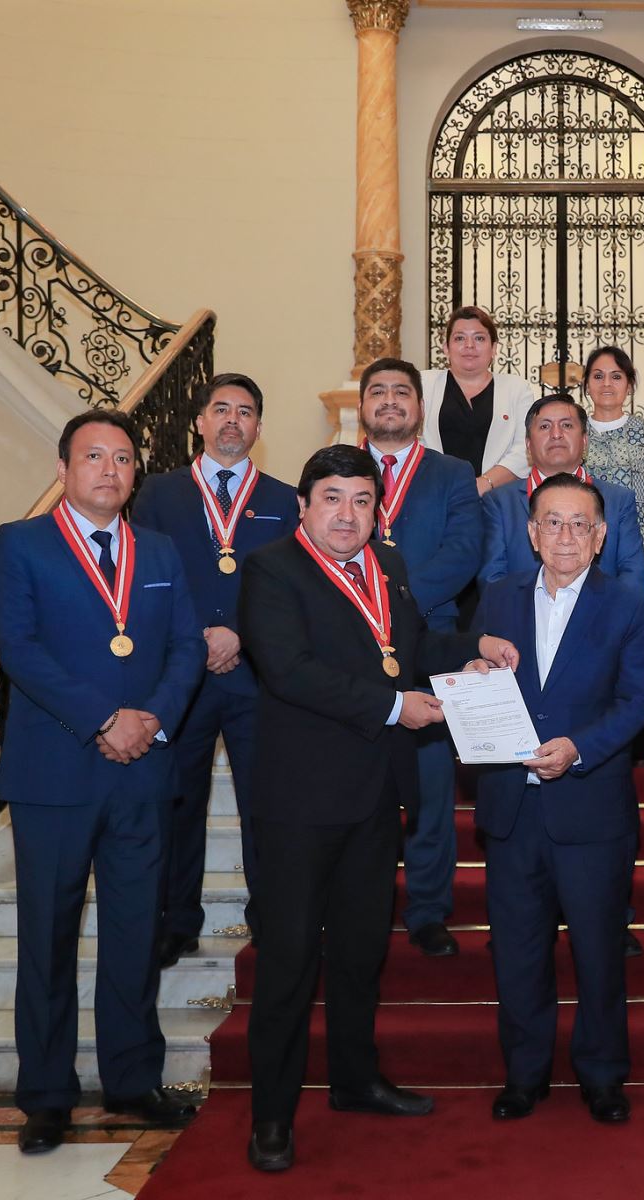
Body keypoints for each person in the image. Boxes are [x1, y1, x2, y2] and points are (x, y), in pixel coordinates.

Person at [237, 445, 518, 1173]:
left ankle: (355, 1080)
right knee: (290, 960)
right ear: (304, 506)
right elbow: (291, 672)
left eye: (362, 501)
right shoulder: (272, 570)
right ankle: (272, 1116)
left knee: (362, 952)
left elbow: (411, 648)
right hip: (301, 802)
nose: (347, 514)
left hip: (374, 795)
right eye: (332, 498)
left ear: (377, 511)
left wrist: (474, 648)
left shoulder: (386, 565)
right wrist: (396, 708)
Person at [0, 409, 206, 1153]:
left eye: (122, 458)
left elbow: (186, 647)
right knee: (48, 938)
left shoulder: (161, 550)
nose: (110, 470)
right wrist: (103, 718)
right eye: (93, 457)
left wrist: (152, 719)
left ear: (135, 472)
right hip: (54, 776)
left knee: (136, 934)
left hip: (143, 772)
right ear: (63, 469)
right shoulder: (22, 544)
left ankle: (133, 1080)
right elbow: (18, 646)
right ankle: (47, 1096)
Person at [474, 475, 644, 1125]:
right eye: (552, 522)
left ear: (601, 537)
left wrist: (580, 747)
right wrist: (472, 675)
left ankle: (602, 1075)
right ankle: (524, 1075)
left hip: (591, 808)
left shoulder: (628, 605)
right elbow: (477, 682)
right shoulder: (497, 599)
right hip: (511, 810)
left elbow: (637, 702)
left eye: (581, 524)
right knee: (518, 953)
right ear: (531, 533)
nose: (566, 536)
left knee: (598, 952)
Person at [131, 373, 298, 965]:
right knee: (178, 801)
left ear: (259, 427)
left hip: (258, 678)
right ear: (200, 421)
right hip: (183, 677)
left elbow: (291, 588)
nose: (233, 420)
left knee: (266, 804)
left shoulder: (283, 500)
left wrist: (240, 634)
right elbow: (145, 577)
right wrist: (195, 637)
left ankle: (270, 919)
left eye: (245, 411)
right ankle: (176, 921)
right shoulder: (159, 493)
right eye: (221, 409)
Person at [357, 356, 484, 958]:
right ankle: (365, 904)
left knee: (433, 786)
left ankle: (429, 909)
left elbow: (463, 553)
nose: (389, 400)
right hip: (351, 647)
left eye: (401, 392)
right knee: (360, 784)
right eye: (378, 391)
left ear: (420, 407)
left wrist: (393, 604)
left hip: (433, 642)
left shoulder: (453, 473)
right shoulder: (339, 469)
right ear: (363, 406)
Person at [479, 393, 644, 596]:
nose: (556, 434)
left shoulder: (618, 500)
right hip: (521, 615)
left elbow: (633, 580)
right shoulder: (499, 502)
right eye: (544, 426)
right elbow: (492, 581)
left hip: (603, 615)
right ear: (528, 444)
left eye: (567, 425)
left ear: (585, 440)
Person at [580, 345, 644, 600]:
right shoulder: (575, 432)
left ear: (629, 385)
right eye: (598, 376)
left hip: (639, 548)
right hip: (584, 542)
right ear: (587, 385)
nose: (607, 384)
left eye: (616, 376)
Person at [421, 304, 534, 496]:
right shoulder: (423, 384)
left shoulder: (517, 389)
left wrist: (484, 483)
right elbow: (412, 442)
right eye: (459, 338)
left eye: (479, 338)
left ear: (494, 348)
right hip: (436, 493)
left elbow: (526, 447)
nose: (469, 346)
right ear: (446, 348)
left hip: (497, 496)